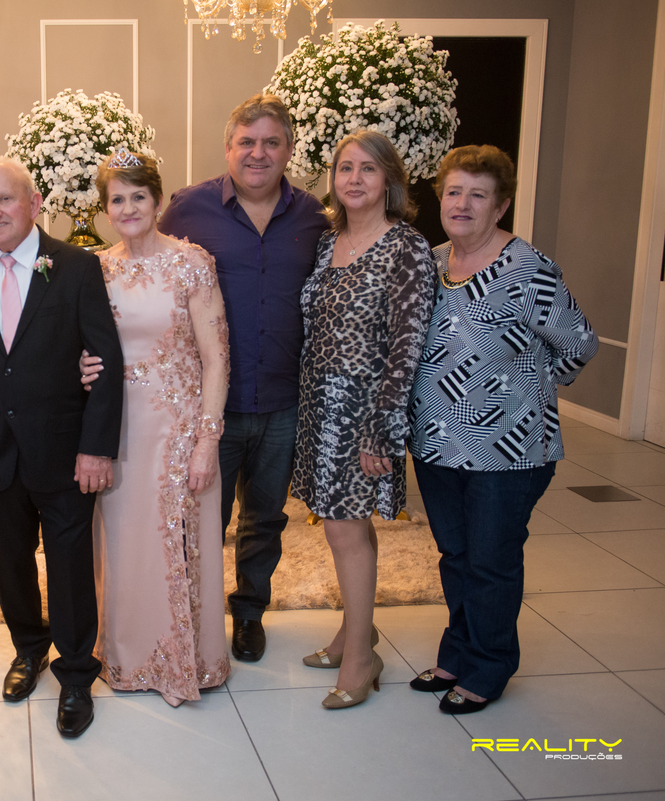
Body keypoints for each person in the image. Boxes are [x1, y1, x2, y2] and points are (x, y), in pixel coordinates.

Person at [408, 145, 597, 714]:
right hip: (437, 443)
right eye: (454, 192)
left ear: (501, 205)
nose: (462, 204)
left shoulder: (528, 268)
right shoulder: (431, 263)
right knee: (455, 555)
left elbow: (579, 342)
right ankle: (457, 653)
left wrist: (526, 387)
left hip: (509, 452)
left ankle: (488, 667)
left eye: (478, 195)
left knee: (491, 561)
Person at [0, 156, 123, 738]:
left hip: (65, 450)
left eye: (6, 199)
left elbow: (106, 358)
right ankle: (28, 648)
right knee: (9, 560)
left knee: (69, 566)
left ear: (34, 203)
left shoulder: (76, 266)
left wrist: (96, 447)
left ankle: (76, 674)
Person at [157, 94, 328, 662]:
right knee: (203, 519)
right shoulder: (188, 209)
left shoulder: (314, 217)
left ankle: (250, 612)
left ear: (289, 150)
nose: (259, 153)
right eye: (247, 142)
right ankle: (197, 618)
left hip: (283, 400)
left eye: (271, 142)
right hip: (213, 407)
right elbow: (150, 272)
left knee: (265, 519)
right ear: (228, 147)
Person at [290, 130, 436, 709]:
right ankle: (355, 633)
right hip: (318, 405)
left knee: (345, 529)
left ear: (390, 181)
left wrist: (384, 428)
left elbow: (407, 345)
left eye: (368, 169)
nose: (354, 179)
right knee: (341, 524)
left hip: (365, 412)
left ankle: (359, 659)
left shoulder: (406, 247)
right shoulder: (328, 242)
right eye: (345, 168)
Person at [87, 149, 231, 707]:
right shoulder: (97, 268)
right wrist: (82, 364)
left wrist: (206, 441)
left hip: (178, 428)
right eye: (116, 200)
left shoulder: (191, 263)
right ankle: (128, 658)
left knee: (177, 541)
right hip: (117, 429)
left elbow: (216, 358)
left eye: (137, 197)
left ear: (156, 200)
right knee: (124, 544)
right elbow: (85, 341)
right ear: (105, 209)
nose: (127, 209)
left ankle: (184, 663)